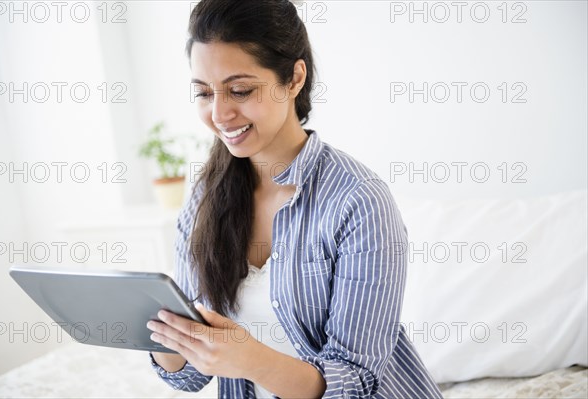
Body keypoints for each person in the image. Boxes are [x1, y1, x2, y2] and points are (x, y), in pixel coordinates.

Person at [147, 0, 443, 398]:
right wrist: (164, 333)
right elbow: (188, 376)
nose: (219, 113)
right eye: (203, 93)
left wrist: (249, 358)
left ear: (294, 78)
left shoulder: (358, 200)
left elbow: (355, 380)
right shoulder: (204, 198)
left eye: (240, 90)